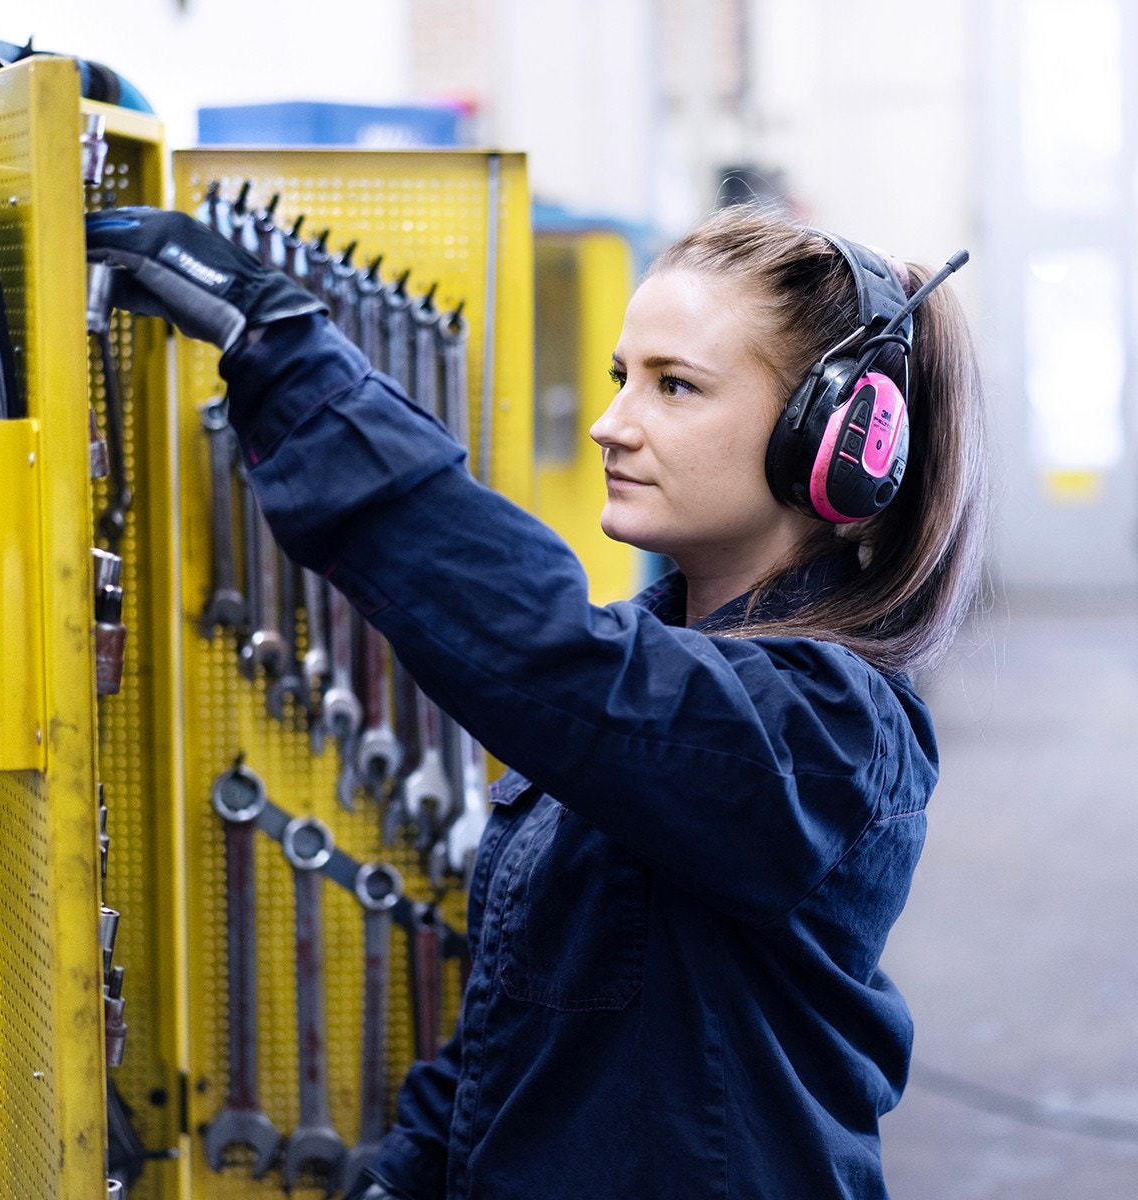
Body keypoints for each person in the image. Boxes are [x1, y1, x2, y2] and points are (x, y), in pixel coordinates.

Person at [87, 201, 990, 1200]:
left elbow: (543, 648)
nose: (612, 424)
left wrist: (283, 353)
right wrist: (413, 1171)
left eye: (675, 387)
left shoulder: (826, 734)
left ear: (834, 437)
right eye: (620, 378)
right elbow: (533, 1015)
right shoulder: (656, 681)